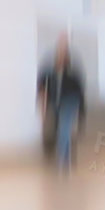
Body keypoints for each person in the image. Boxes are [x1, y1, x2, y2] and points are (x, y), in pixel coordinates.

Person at [37, 39, 87, 172]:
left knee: (64, 130)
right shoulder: (49, 71)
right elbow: (42, 87)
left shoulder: (73, 73)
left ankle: (63, 160)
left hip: (70, 103)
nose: (62, 57)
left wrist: (81, 110)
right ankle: (66, 157)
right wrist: (42, 105)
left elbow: (80, 92)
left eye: (64, 53)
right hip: (56, 103)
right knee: (61, 130)